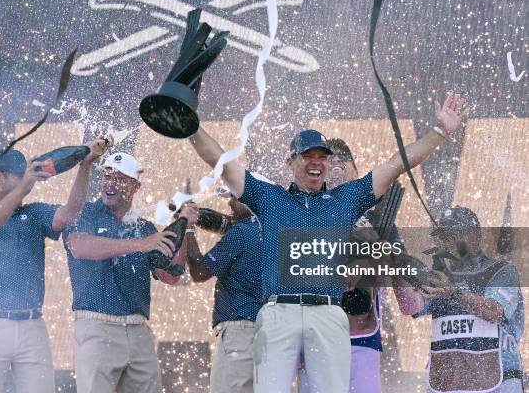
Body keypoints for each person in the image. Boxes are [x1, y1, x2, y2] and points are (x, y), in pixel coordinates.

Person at [187, 92, 468, 392]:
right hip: (279, 312)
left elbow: (395, 165)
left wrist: (438, 133)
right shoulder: (269, 198)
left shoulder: (345, 200)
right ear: (290, 161)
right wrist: (191, 128)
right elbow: (221, 162)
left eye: (322, 157)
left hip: (329, 312)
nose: (316, 163)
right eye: (308, 155)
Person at [0, 138, 108, 393]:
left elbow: (70, 214)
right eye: (20, 175)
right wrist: (23, 189)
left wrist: (85, 167)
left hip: (32, 325)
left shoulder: (34, 213)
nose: (29, 180)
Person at [296, 138, 423, 393]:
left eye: (345, 160)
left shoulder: (379, 221)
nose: (338, 166)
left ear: (356, 171)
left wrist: (384, 259)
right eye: (332, 161)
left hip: (361, 342)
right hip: (315, 344)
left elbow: (409, 304)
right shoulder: (300, 215)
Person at [63, 152, 193, 393]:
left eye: (121, 179)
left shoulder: (144, 227)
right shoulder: (84, 213)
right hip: (97, 324)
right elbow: (80, 247)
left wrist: (183, 225)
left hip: (138, 329)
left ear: (136, 186)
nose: (111, 183)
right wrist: (142, 244)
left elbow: (171, 275)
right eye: (107, 176)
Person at [412, 207, 524, 393]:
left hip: (501, 379)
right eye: (445, 237)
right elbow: (410, 306)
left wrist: (453, 292)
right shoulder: (438, 277)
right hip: (449, 381)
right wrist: (394, 262)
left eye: (457, 234)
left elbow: (493, 311)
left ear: (476, 236)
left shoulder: (502, 271)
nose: (450, 243)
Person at [183, 193, 262, 393]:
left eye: (235, 199)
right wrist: (197, 215)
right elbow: (224, 223)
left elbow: (199, 273)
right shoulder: (272, 230)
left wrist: (188, 227)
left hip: (240, 336)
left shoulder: (241, 233)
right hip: (270, 334)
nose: (229, 202)